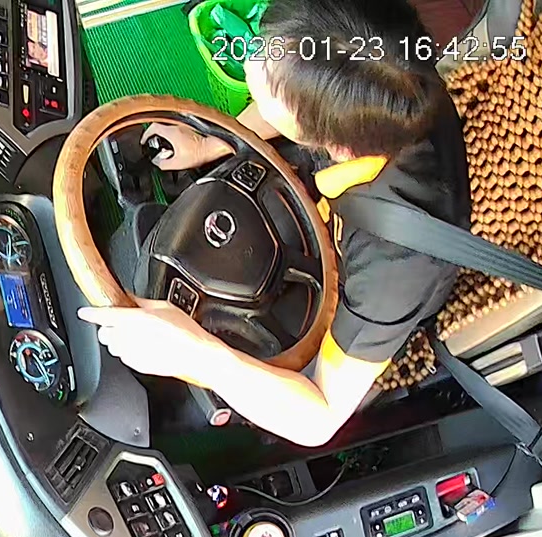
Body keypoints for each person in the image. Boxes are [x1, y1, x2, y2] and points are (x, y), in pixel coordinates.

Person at [78, 0, 469, 446]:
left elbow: (320, 416)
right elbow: (293, 90)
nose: (250, 63)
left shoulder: (395, 267)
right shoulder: (377, 70)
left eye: (268, 88)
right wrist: (208, 143)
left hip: (349, 291)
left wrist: (195, 353)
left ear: (331, 145)